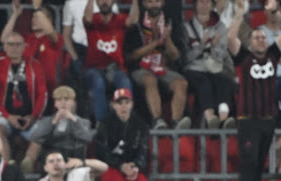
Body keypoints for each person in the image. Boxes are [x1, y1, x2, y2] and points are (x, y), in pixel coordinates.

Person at [228, 0, 281, 181]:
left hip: (268, 119)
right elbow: (231, 38)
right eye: (255, 37)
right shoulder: (244, 58)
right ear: (249, 42)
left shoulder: (273, 55)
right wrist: (240, 12)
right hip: (248, 120)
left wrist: (277, 13)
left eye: (262, 37)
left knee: (259, 163)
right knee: (249, 160)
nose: (260, 39)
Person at [124, 0, 191, 129]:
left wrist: (167, 40)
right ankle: (158, 120)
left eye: (157, 1)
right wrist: (154, 43)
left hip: (163, 68)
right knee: (150, 79)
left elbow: (176, 56)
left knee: (181, 83)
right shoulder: (136, 24)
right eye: (150, 1)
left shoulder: (170, 23)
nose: (154, 4)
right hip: (141, 68)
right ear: (144, 4)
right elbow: (132, 56)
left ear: (163, 3)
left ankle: (176, 122)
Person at [0, 31, 47, 162]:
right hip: (4, 116)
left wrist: (34, 116)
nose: (14, 47)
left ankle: (27, 165)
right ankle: (7, 167)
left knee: (43, 130)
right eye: (10, 44)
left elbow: (43, 94)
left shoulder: (35, 65)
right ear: (4, 46)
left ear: (25, 46)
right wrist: (7, 116)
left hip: (29, 117)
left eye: (18, 44)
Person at [95, 88, 150, 181]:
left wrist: (136, 166)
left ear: (131, 104)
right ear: (114, 105)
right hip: (110, 165)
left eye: (126, 102)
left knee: (139, 180)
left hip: (132, 165)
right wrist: (121, 165)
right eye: (120, 103)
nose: (123, 106)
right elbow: (102, 153)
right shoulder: (104, 124)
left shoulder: (141, 125)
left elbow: (144, 151)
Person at [82, 0, 137, 123]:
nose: (104, 2)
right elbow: (87, 18)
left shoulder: (120, 19)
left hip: (115, 68)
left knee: (125, 82)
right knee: (98, 81)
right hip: (93, 69)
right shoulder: (93, 19)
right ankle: (102, 125)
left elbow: (133, 20)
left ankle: (127, 122)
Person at [184, 0, 235, 129]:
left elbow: (221, 55)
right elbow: (186, 57)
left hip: (214, 68)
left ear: (212, 5)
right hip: (193, 69)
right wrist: (202, 46)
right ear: (195, 5)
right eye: (201, 2)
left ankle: (224, 119)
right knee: (204, 83)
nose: (204, 5)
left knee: (224, 81)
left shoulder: (221, 27)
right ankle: (210, 118)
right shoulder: (186, 27)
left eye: (208, 2)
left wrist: (211, 45)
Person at [1, 0, 63, 102]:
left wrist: (37, 8)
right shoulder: (26, 39)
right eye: (33, 17)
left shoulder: (56, 39)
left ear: (49, 20)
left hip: (48, 90)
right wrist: (15, 15)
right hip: (26, 88)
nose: (34, 20)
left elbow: (50, 31)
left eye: (38, 17)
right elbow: (4, 39)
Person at [25, 85, 96, 172]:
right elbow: (36, 137)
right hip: (52, 154)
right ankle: (28, 162)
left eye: (66, 99)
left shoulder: (83, 122)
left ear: (73, 102)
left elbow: (87, 137)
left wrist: (74, 120)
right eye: (59, 100)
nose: (63, 103)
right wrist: (54, 122)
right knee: (38, 142)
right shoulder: (47, 120)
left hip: (73, 154)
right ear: (55, 104)